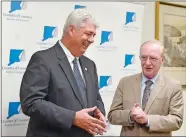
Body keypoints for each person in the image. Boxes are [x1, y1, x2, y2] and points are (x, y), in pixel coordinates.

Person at [20, 8, 106, 137]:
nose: (92, 39)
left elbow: (96, 97)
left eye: (94, 35)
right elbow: (31, 102)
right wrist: (72, 118)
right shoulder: (43, 60)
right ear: (71, 30)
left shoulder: (90, 65)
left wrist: (99, 112)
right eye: (88, 33)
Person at [108, 40, 184, 136]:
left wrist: (147, 119)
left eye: (153, 58)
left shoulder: (173, 86)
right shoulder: (125, 82)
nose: (147, 63)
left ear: (162, 60)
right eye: (144, 58)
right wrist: (130, 115)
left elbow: (176, 120)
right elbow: (112, 116)